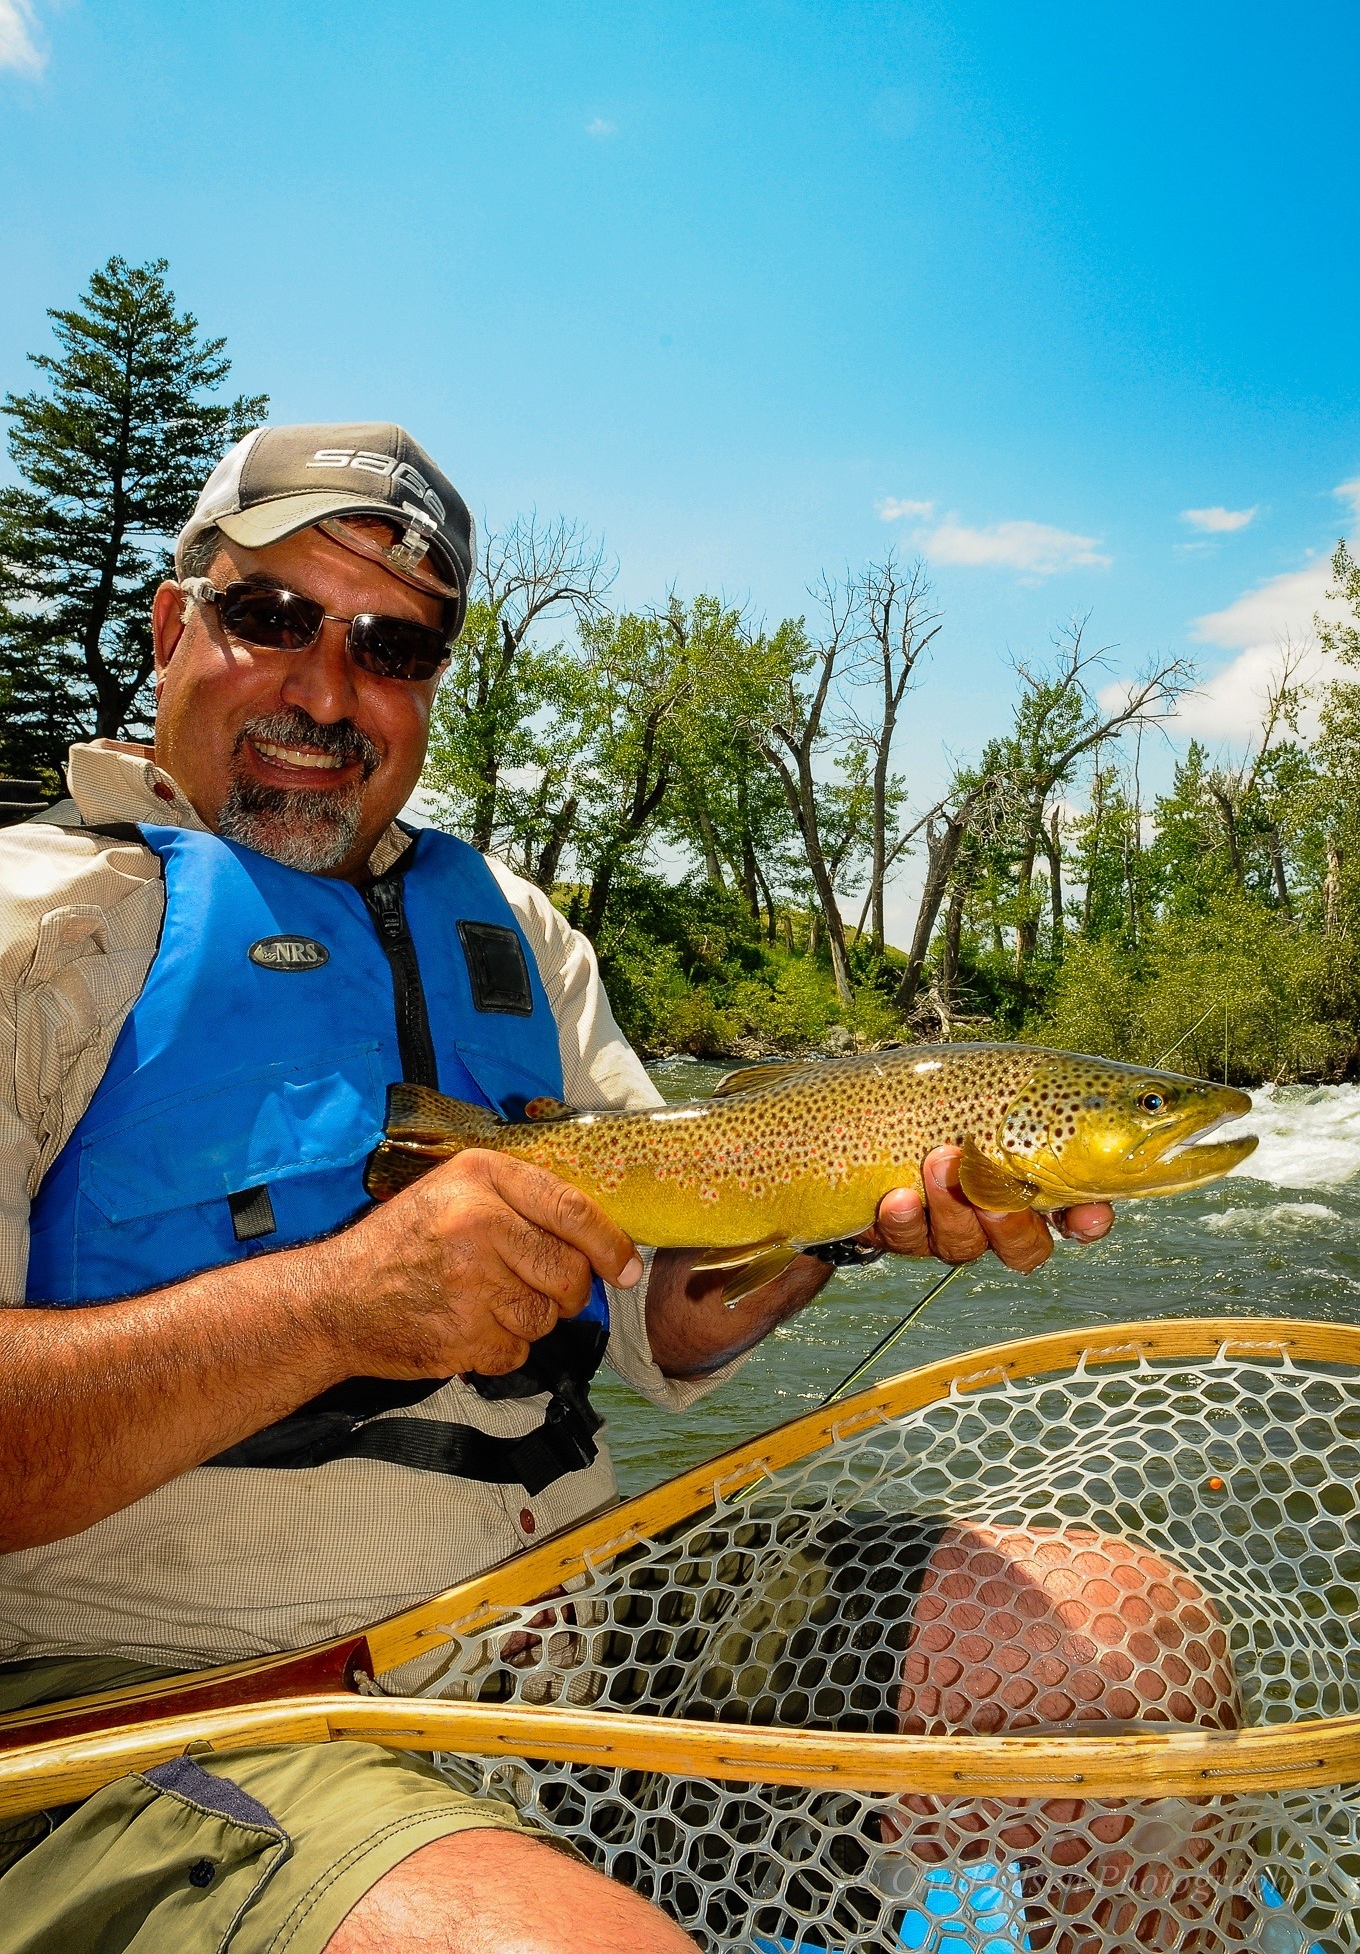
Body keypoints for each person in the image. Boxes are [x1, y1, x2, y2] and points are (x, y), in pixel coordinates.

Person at [0, 423, 1115, 1954]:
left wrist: (839, 1223)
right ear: (169, 624)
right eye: (271, 618)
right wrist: (331, 1308)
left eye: (391, 647)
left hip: (581, 1627)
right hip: (176, 1712)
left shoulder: (519, 930)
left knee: (1119, 1659)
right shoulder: (32, 938)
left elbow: (667, 1326)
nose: (325, 690)